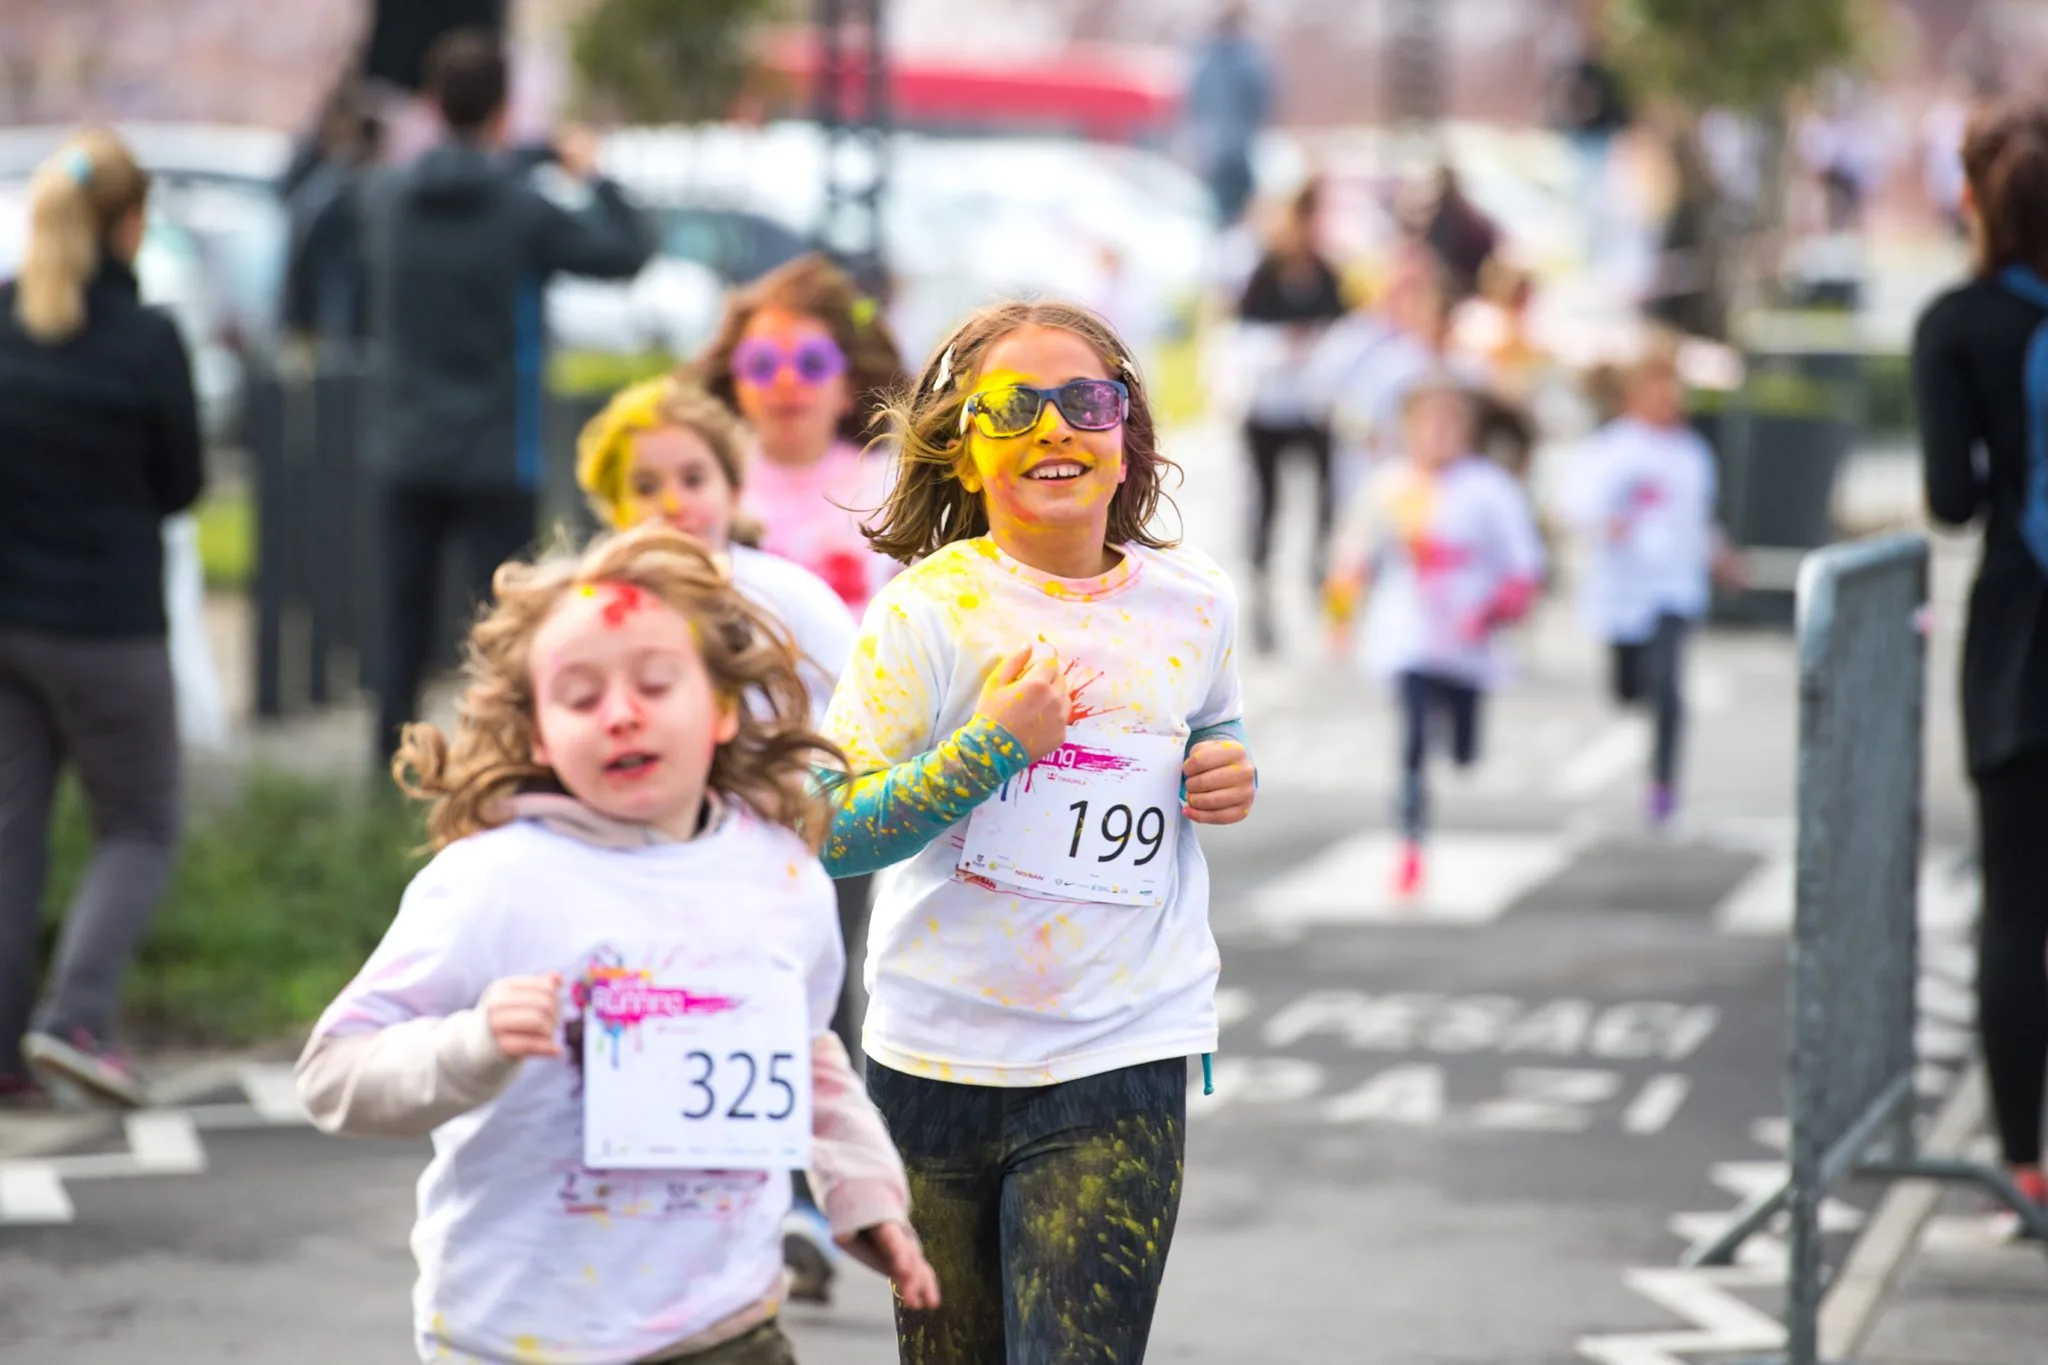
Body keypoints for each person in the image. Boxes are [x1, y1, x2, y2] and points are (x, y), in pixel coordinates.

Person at [294, 525, 939, 1365]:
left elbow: (803, 1049)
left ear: (719, 706)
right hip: (522, 1332)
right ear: (535, 735)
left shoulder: (782, 875)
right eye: (581, 695)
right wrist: (471, 1045)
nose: (622, 711)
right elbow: (332, 1073)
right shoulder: (492, 882)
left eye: (655, 681)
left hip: (726, 1324)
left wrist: (864, 1192)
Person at [819, 300, 1257, 1365]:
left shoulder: (1193, 606)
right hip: (933, 1053)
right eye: (1011, 408)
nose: (1053, 428)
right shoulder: (924, 614)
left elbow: (1216, 733)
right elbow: (832, 833)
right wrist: (990, 749)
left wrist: (1225, 772)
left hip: (1120, 1047)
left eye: (1086, 400)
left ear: (1126, 443)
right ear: (963, 457)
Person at [574, 375, 862, 1301]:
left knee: (797, 1015)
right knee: (658, 1014)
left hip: (786, 849)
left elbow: (858, 727)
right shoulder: (581, 609)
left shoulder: (791, 599)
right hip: (642, 864)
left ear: (731, 489)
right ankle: (652, 1211)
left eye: (691, 476)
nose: (671, 501)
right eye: (644, 484)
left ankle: (805, 1203)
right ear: (610, 503)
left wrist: (804, 802)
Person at [356, 27, 654, 766]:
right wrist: (589, 172)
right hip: (497, 451)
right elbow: (627, 250)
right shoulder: (523, 210)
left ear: (431, 105)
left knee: (400, 619)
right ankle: (508, 766)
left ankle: (382, 777)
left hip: (404, 445)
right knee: (510, 626)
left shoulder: (386, 198)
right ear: (505, 111)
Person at [0, 129, 204, 1110]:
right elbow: (183, 484)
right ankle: (76, 1019)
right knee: (140, 823)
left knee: (11, 835)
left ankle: (5, 1054)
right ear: (130, 224)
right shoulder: (148, 339)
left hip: (7, 624)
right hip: (108, 628)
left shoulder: (2, 322)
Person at [1914, 97, 2048, 1229]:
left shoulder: (1957, 323)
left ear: (1972, 200)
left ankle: (2023, 1171)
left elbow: (1951, 505)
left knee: (2013, 909)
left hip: (2017, 640)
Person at [1324, 376, 1545, 898]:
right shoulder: (1389, 486)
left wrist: (1496, 610)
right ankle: (1410, 845)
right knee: (1414, 739)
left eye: (1450, 424)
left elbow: (1525, 567)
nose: (1438, 436)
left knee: (1464, 753)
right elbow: (1350, 560)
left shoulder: (1490, 489)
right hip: (1408, 638)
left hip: (1470, 642)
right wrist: (1339, 619)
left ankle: (1459, 727)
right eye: (1427, 425)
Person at [1566, 341, 1739, 827]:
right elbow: (1580, 507)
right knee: (1629, 686)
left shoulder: (1692, 454)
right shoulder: (1611, 450)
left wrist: (1720, 556)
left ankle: (1663, 781)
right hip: (1624, 588)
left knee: (1668, 687)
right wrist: (1608, 525)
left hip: (1674, 587)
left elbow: (1697, 519)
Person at [693, 253, 908, 620]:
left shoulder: (897, 490)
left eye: (812, 364)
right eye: (762, 364)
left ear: (848, 387)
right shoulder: (701, 486)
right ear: (735, 386)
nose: (787, 381)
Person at [1236, 178, 1348, 651]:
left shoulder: (1326, 274)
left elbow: (1345, 332)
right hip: (1267, 405)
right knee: (1268, 502)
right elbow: (1241, 334)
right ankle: (1263, 587)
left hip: (1313, 405)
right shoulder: (1265, 274)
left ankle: (1321, 577)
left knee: (1327, 496)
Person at [1182, 3, 1272, 227]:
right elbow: (1263, 97)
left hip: (1215, 155)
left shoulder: (1206, 58)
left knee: (1219, 220)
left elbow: (1194, 100)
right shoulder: (1247, 58)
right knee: (1233, 221)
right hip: (1234, 156)